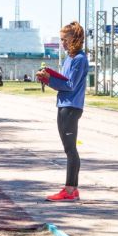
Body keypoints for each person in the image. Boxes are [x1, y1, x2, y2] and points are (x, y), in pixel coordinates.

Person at [36, 21, 88, 202]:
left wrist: (50, 79)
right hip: (64, 105)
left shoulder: (80, 59)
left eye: (65, 39)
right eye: (61, 40)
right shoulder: (69, 58)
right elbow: (63, 82)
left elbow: (70, 85)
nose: (63, 43)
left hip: (71, 106)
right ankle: (72, 190)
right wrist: (47, 78)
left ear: (74, 38)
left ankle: (69, 189)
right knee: (69, 149)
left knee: (71, 150)